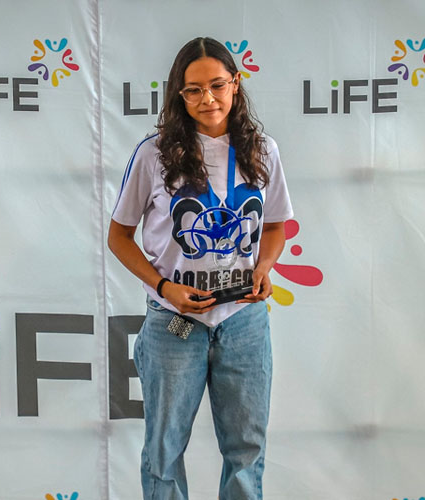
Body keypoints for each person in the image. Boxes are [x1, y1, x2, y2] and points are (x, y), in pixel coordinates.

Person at [107, 36, 293, 500]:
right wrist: (163, 286)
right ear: (178, 94)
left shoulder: (263, 150)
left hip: (243, 321)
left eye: (217, 85)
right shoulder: (155, 154)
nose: (207, 99)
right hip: (174, 323)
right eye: (193, 89)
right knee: (164, 451)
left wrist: (264, 267)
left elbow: (274, 227)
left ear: (236, 84)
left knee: (246, 450)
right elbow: (118, 237)